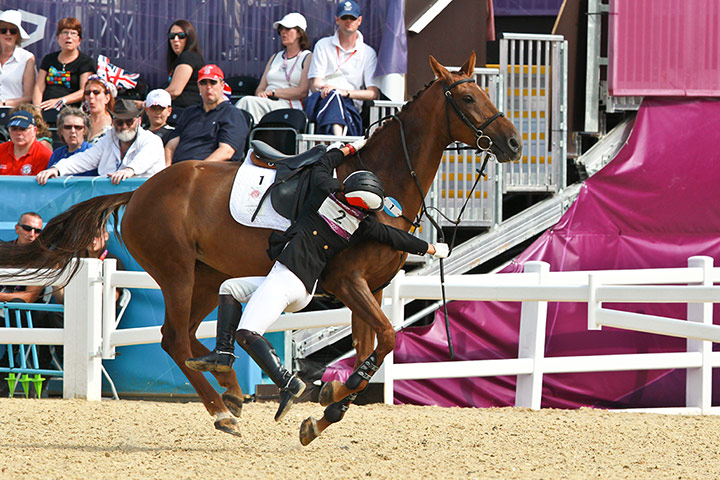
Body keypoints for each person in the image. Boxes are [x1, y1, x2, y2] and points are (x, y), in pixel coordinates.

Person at [186, 140, 449, 421]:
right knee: (229, 288)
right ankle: (223, 354)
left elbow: (322, 165)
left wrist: (345, 150)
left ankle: (288, 383)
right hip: (302, 288)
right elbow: (395, 237)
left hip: (286, 280)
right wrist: (431, 248)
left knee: (247, 333)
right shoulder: (362, 224)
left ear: (346, 187)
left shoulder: (321, 194)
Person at [35, 98, 165, 185]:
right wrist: (56, 168)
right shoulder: (109, 138)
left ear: (139, 121)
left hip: (145, 203)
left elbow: (145, 159)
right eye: (120, 122)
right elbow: (85, 158)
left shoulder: (152, 140)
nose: (124, 126)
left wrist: (129, 170)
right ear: (113, 122)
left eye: (129, 121)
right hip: (111, 200)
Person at [304, 0, 379, 136]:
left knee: (336, 96)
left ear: (359, 20)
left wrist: (344, 92)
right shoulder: (322, 45)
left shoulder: (368, 52)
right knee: (333, 96)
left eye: (352, 18)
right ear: (337, 20)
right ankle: (337, 143)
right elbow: (314, 85)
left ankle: (334, 143)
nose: (348, 21)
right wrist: (327, 90)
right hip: (321, 100)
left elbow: (372, 93)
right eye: (344, 17)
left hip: (350, 105)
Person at [235, 12, 312, 124]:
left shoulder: (307, 57)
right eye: (281, 29)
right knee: (249, 103)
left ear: (299, 33)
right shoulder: (275, 57)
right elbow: (260, 88)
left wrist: (273, 92)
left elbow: (303, 91)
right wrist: (262, 94)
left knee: (247, 102)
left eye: (287, 29)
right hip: (266, 102)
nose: (283, 32)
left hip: (288, 105)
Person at [165, 64, 249, 165]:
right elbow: (170, 146)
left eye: (213, 82)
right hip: (179, 171)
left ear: (222, 85)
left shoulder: (232, 114)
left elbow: (226, 151)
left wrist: (198, 168)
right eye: (203, 83)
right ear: (199, 86)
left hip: (211, 173)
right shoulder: (189, 112)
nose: (208, 87)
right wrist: (166, 170)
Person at [32, 17, 95, 111]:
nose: (69, 36)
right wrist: (37, 109)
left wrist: (60, 101)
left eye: (73, 33)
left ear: (79, 40)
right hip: (45, 108)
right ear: (57, 38)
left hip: (71, 110)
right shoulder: (49, 59)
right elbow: (39, 87)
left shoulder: (85, 61)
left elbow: (84, 91)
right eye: (65, 32)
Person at [165, 19, 204, 109]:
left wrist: (149, 101)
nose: (176, 40)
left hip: (186, 112)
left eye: (181, 36)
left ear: (189, 38)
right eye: (172, 36)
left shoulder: (188, 57)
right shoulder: (179, 59)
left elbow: (175, 91)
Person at [0, 10, 35, 108]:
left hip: (14, 113)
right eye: (3, 30)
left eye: (13, 31)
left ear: (18, 35)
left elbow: (29, 97)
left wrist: (4, 103)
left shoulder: (27, 58)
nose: (8, 34)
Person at [0, 110, 52, 175]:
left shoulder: (44, 155)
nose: (18, 133)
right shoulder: (1, 150)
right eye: (14, 129)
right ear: (8, 130)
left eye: (23, 129)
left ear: (34, 130)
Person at [46, 106, 94, 174]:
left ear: (85, 131)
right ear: (61, 130)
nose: (73, 131)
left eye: (78, 127)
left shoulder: (92, 152)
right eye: (68, 127)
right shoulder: (57, 154)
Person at [83, 74, 115, 143]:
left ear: (107, 98)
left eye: (96, 92)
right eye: (87, 93)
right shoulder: (81, 121)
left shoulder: (114, 123)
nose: (91, 96)